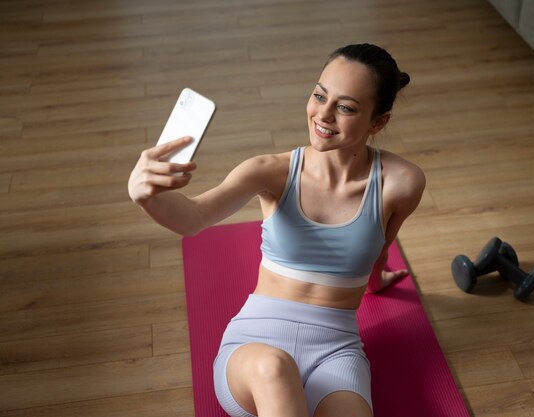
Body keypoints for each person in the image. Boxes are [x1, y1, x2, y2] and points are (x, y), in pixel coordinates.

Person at [128, 43, 425, 417]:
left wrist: (377, 280)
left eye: (345, 107)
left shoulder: (403, 183)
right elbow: (193, 218)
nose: (323, 114)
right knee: (273, 367)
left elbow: (379, 247)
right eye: (319, 95)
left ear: (378, 122)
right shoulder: (271, 171)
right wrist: (145, 196)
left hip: (337, 353)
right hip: (256, 347)